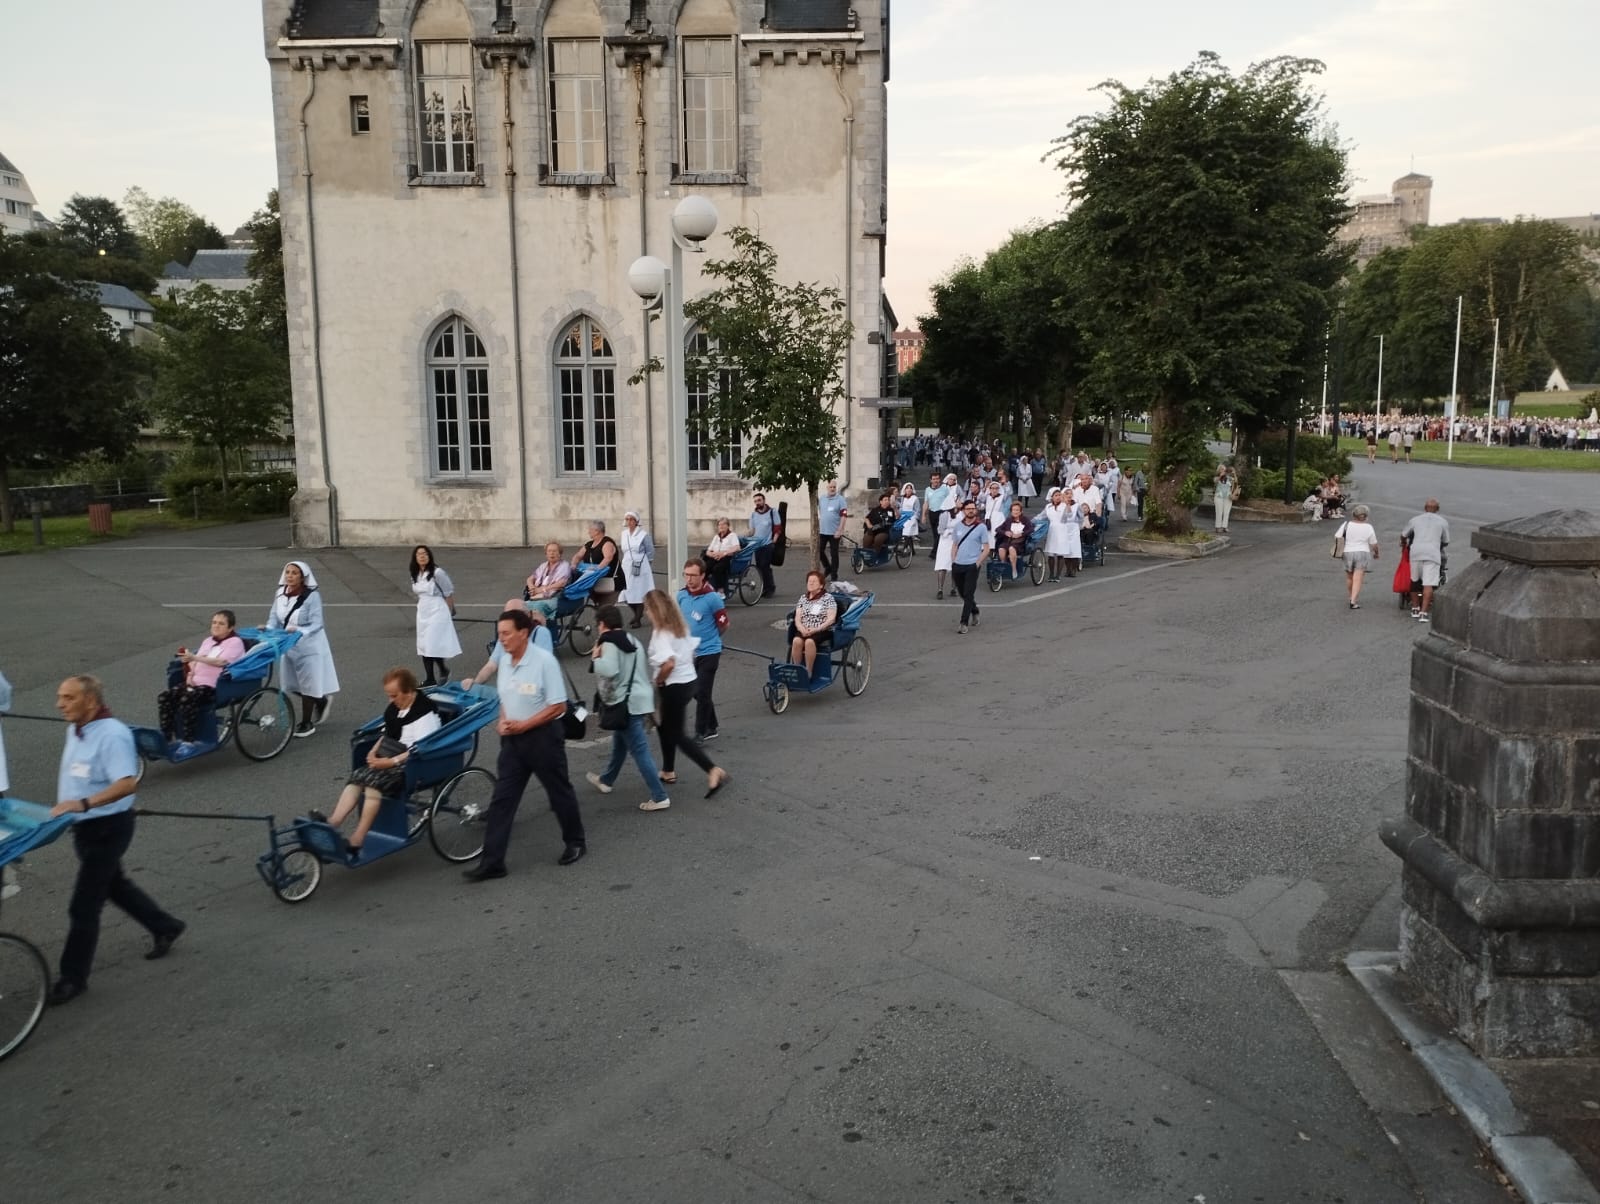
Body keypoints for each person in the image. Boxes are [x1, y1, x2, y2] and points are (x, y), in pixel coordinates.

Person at [45, 675, 185, 1006]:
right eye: (59, 697)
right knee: (114, 885)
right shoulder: (76, 728)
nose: (59, 704)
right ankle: (166, 926)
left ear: (91, 702)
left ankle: (73, 977)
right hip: (85, 827)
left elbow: (125, 784)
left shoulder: (113, 735)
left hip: (108, 828)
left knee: (84, 905)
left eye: (68, 698)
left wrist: (82, 804)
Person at [458, 610, 586, 877]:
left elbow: (558, 706)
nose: (501, 639)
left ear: (523, 633)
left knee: (559, 792)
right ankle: (493, 862)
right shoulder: (505, 660)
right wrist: (504, 720)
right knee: (502, 800)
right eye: (499, 633)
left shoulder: (544, 662)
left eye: (506, 633)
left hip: (543, 739)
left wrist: (524, 725)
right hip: (513, 741)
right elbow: (506, 695)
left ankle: (575, 842)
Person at [309, 668, 441, 861]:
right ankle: (333, 821)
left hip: (411, 764)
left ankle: (357, 839)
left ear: (409, 691)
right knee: (356, 779)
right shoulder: (397, 708)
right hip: (390, 756)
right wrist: (373, 752)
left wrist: (390, 762)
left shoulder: (424, 715)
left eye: (394, 696)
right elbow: (388, 733)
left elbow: (420, 749)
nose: (390, 700)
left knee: (372, 787)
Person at [644, 590, 729, 801]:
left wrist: (659, 680)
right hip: (688, 681)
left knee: (677, 735)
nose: (645, 612)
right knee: (665, 728)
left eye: (647, 608)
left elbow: (669, 663)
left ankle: (712, 769)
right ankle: (668, 770)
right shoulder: (679, 627)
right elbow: (689, 652)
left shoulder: (661, 633)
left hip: (673, 686)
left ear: (655, 610)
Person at [585, 606, 670, 810]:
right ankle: (606, 780)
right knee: (620, 744)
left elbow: (610, 669)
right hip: (639, 699)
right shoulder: (631, 640)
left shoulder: (609, 643)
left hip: (625, 703)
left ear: (602, 624)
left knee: (639, 750)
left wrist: (595, 658)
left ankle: (659, 797)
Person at [268, 560, 340, 738]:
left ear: (302, 577)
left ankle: (307, 723)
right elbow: (274, 618)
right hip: (288, 644)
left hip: (309, 645)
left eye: (294, 573)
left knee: (308, 684)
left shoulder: (312, 596)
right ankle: (320, 699)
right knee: (291, 684)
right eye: (288, 572)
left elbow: (317, 623)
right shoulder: (280, 594)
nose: (290, 576)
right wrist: (268, 630)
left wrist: (301, 631)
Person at [158, 610, 246, 745]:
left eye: (221, 624)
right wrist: (189, 674)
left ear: (230, 628)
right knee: (164, 697)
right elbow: (195, 662)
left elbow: (221, 662)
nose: (216, 626)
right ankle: (167, 737)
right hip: (195, 683)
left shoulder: (235, 642)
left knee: (186, 699)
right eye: (214, 622)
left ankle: (189, 741)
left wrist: (195, 657)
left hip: (215, 686)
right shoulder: (208, 641)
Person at [677, 559, 728, 742]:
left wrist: (712, 640)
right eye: (686, 574)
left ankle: (700, 732)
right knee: (696, 692)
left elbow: (724, 624)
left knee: (703, 691)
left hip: (709, 652)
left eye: (693, 575)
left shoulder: (712, 598)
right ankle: (712, 725)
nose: (689, 579)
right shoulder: (681, 596)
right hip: (689, 652)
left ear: (703, 576)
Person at [410, 545, 460, 686]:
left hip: (438, 609)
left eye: (425, 553)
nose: (422, 556)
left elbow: (448, 593)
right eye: (419, 554)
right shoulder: (415, 574)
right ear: (415, 558)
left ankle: (438, 673)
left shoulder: (438, 573)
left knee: (432, 643)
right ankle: (434, 676)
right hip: (423, 611)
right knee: (424, 645)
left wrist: (449, 613)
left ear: (429, 556)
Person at [949, 498, 994, 634]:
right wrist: (953, 560)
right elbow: (955, 544)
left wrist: (977, 563)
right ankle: (974, 609)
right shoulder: (958, 526)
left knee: (968, 593)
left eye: (973, 509)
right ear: (963, 511)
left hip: (972, 565)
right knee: (962, 593)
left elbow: (986, 548)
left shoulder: (981, 527)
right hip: (958, 564)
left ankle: (963, 622)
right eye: (968, 509)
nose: (971, 511)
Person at [1403, 498, 1450, 623]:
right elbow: (1445, 541)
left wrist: (1403, 545)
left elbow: (1404, 535)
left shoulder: (1415, 520)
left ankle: (1414, 608)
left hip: (1416, 552)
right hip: (1432, 554)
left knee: (1414, 580)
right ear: (1438, 509)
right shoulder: (1443, 522)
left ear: (1425, 508)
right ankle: (1423, 613)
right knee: (1428, 583)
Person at [789, 571, 839, 678]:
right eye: (809, 581)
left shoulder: (828, 598)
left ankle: (808, 672)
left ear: (821, 585)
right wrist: (801, 629)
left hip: (822, 629)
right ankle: (797, 670)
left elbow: (831, 619)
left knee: (809, 642)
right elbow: (797, 617)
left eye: (814, 581)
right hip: (804, 628)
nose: (810, 583)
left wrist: (816, 629)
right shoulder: (803, 598)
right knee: (796, 641)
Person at [1334, 504, 1380, 609]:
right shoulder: (1368, 527)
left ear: (1354, 514)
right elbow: (1374, 544)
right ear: (1366, 516)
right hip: (1362, 553)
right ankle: (1353, 601)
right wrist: (1376, 553)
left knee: (1349, 577)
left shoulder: (1346, 524)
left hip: (1347, 552)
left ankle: (1351, 596)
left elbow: (1337, 536)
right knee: (1358, 578)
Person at [618, 510, 655, 628]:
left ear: (636, 521)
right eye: (627, 519)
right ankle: (636, 614)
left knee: (639, 591)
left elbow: (650, 550)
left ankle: (638, 618)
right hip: (627, 564)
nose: (629, 522)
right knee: (626, 591)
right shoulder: (624, 534)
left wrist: (647, 564)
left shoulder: (643, 535)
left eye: (632, 519)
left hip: (640, 564)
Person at [571, 520, 619, 606]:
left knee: (605, 609)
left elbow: (608, 558)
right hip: (594, 581)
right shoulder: (589, 544)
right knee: (599, 608)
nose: (588, 531)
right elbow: (578, 556)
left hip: (608, 581)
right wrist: (574, 564)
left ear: (597, 531)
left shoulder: (607, 543)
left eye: (590, 529)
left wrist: (596, 570)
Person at [524, 541, 572, 621]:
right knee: (519, 607)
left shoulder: (564, 566)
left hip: (554, 597)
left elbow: (562, 583)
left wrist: (542, 589)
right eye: (549, 551)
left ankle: (538, 630)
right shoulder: (543, 565)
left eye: (554, 551)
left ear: (560, 553)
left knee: (537, 608)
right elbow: (530, 579)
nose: (551, 553)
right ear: (546, 554)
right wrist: (532, 588)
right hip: (537, 597)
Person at [1043, 487, 1081, 581]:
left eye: (1059, 495)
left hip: (1062, 530)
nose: (1058, 497)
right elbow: (1042, 516)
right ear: (1051, 497)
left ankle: (1058, 575)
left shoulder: (1064, 506)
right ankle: (1051, 574)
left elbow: (1069, 516)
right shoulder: (1048, 507)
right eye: (1056, 495)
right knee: (1051, 554)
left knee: (1060, 553)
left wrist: (1067, 506)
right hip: (1052, 530)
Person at [749, 492, 782, 597]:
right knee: (760, 567)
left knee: (765, 566)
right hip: (757, 545)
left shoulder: (772, 512)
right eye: (755, 501)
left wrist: (774, 541)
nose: (757, 503)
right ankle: (765, 587)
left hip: (768, 544)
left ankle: (770, 588)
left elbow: (777, 527)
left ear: (764, 500)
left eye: (759, 500)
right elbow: (752, 531)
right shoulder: (753, 515)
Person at [817, 481, 849, 582]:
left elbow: (844, 515)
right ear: (827, 487)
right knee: (819, 551)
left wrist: (840, 530)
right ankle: (828, 567)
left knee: (834, 553)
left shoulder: (840, 499)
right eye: (830, 487)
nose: (832, 489)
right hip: (823, 531)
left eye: (834, 487)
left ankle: (834, 575)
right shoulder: (822, 499)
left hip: (835, 532)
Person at [703, 517, 741, 596]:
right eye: (719, 525)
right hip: (714, 557)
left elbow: (737, 547)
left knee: (717, 569)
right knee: (705, 567)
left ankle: (721, 591)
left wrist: (723, 553)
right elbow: (708, 550)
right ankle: (705, 585)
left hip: (726, 558)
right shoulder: (716, 537)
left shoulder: (732, 535)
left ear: (728, 526)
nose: (721, 526)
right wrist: (712, 554)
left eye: (724, 524)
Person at [995, 500, 1029, 578]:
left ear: (1021, 511)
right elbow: (998, 529)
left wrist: (1021, 534)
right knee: (1001, 549)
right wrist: (1005, 532)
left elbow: (1030, 530)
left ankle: (1014, 569)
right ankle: (1004, 566)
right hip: (1008, 541)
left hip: (1019, 543)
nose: (1015, 512)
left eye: (1017, 510)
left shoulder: (1025, 520)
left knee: (1011, 548)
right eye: (1013, 510)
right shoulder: (1008, 520)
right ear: (1011, 511)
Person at [921, 471, 951, 560]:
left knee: (939, 533)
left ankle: (933, 553)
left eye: (937, 479)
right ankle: (940, 551)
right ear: (931, 480)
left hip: (941, 512)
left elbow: (949, 501)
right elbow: (926, 503)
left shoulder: (945, 489)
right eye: (934, 479)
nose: (936, 481)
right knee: (935, 534)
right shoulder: (927, 490)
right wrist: (923, 515)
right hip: (932, 512)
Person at [933, 501, 956, 599]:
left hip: (956, 542)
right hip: (945, 542)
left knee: (955, 565)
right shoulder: (944, 515)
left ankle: (953, 588)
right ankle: (940, 589)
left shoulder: (960, 514)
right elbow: (940, 530)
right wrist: (950, 532)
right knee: (943, 565)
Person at [1213, 465, 1237, 534]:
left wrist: (1234, 473)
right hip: (1218, 497)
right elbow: (1215, 481)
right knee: (1219, 512)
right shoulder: (1216, 477)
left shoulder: (1229, 478)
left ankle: (1224, 527)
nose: (1223, 470)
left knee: (1226, 512)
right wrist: (1220, 476)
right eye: (1222, 469)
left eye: (1224, 469)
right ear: (1219, 470)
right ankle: (1218, 527)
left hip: (1228, 497)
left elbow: (1235, 481)